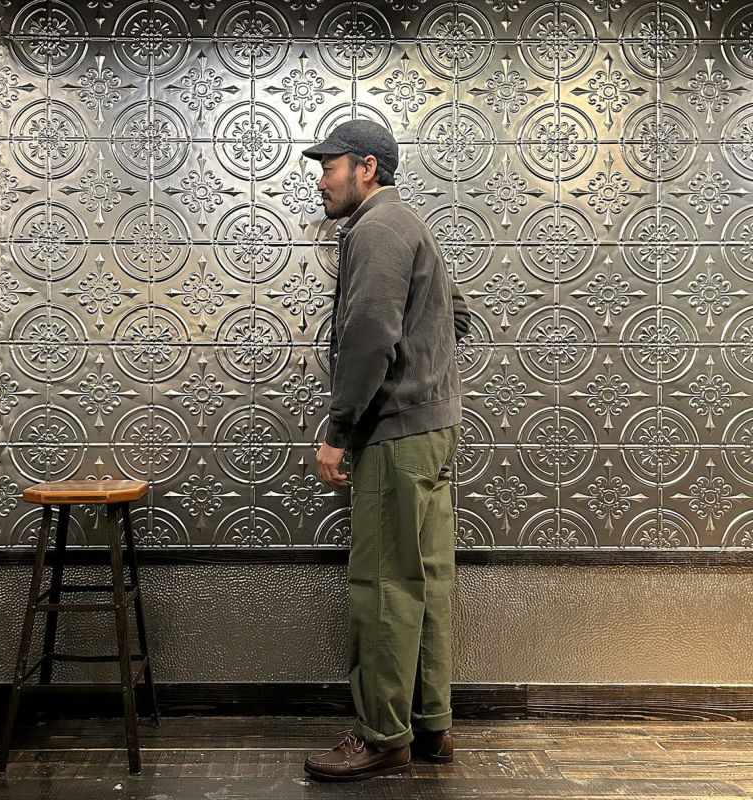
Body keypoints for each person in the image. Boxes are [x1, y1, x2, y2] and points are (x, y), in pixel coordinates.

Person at [300, 119, 472, 781]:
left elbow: (371, 334)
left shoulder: (374, 230)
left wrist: (339, 431)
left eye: (329, 167)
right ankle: (431, 727)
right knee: (425, 580)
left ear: (365, 167)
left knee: (382, 585)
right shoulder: (411, 226)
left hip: (395, 435)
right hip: (434, 430)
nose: (321, 181)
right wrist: (425, 373)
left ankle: (382, 737)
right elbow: (457, 315)